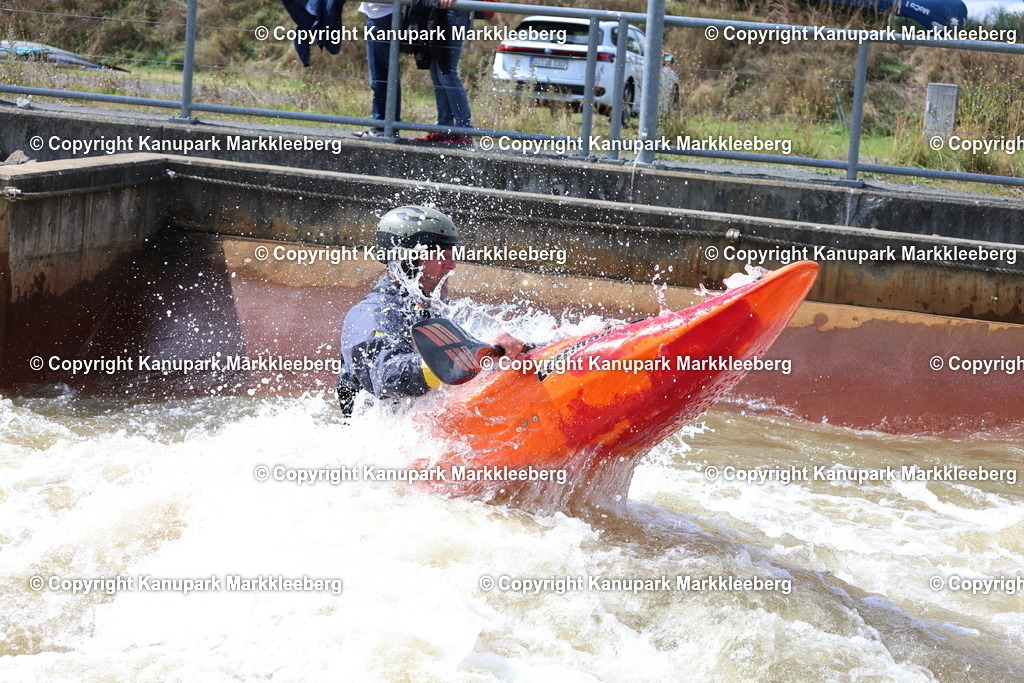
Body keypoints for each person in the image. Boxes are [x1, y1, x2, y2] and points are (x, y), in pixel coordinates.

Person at [337, 206, 525, 414]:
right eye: (441, 255)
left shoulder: (435, 309)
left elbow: (479, 341)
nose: (451, 265)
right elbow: (384, 373)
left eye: (451, 254)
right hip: (384, 437)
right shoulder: (372, 313)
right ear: (408, 260)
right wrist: (463, 359)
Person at [414, 0, 474, 146]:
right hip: (438, 10)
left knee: (447, 73)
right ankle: (443, 128)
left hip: (452, 11)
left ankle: (464, 130)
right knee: (436, 72)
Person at [356, 2, 402, 138]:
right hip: (379, 15)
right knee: (384, 75)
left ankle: (383, 127)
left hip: (382, 16)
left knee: (381, 76)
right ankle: (386, 126)